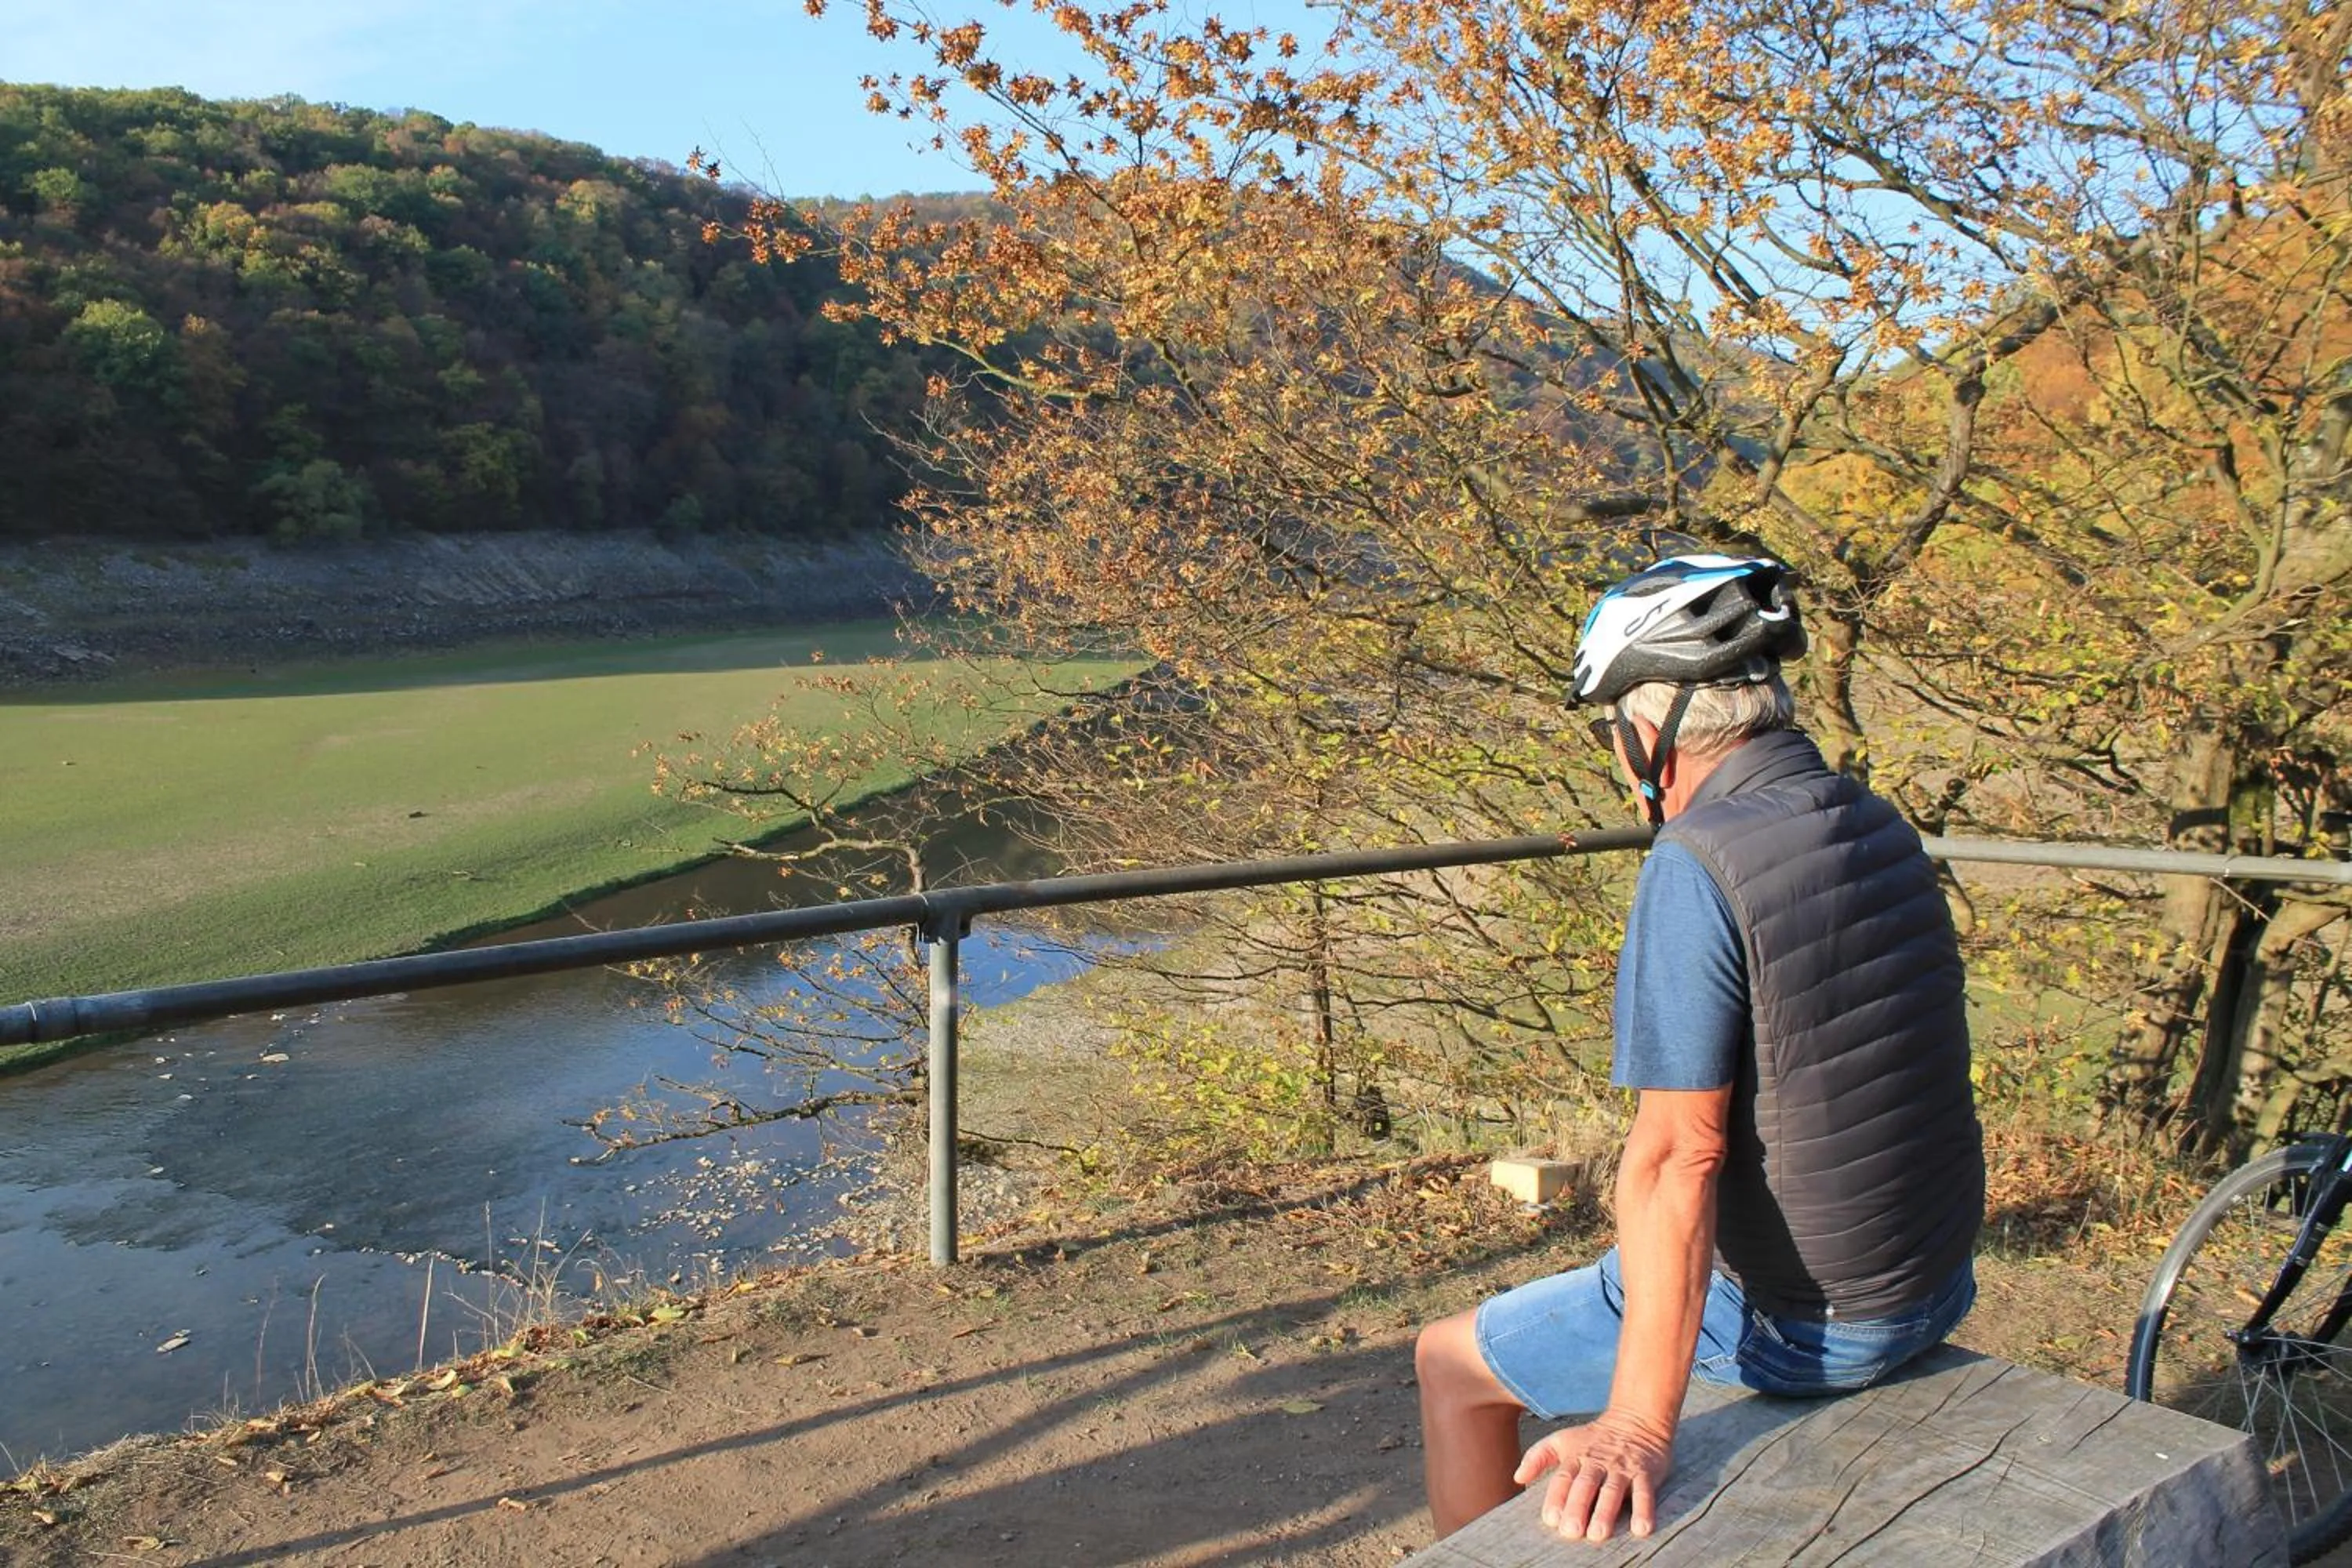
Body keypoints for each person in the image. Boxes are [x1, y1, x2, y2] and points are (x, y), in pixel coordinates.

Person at [1414, 554, 1984, 1544]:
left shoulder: (1697, 862)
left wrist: (1635, 1424)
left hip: (1815, 1321)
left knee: (1448, 1362)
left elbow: (1681, 1154)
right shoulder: (1873, 820)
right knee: (1620, 1268)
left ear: (1653, 729)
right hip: (1930, 1277)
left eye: (1611, 731)